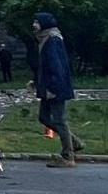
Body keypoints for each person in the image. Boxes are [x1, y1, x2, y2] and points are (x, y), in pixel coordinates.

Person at [31, 12, 83, 167]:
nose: (34, 25)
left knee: (59, 120)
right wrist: (36, 82)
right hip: (49, 87)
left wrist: (53, 88)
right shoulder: (46, 39)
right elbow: (45, 67)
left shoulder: (52, 40)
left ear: (44, 23)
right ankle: (74, 142)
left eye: (36, 22)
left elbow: (56, 67)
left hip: (55, 88)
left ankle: (68, 157)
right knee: (44, 117)